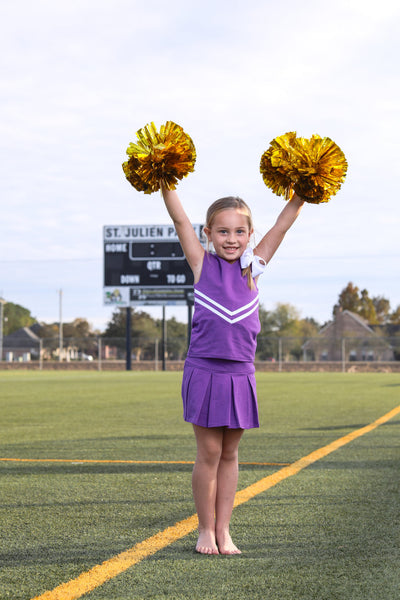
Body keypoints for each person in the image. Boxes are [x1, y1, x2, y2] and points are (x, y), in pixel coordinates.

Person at [160, 182, 304, 555]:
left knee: (230, 455)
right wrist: (164, 182)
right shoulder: (201, 264)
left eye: (239, 231)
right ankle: (205, 530)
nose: (231, 238)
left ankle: (225, 530)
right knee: (208, 453)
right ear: (207, 234)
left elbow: (283, 225)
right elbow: (178, 219)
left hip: (241, 374)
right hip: (204, 372)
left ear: (249, 234)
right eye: (222, 231)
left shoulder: (252, 269)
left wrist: (302, 192)